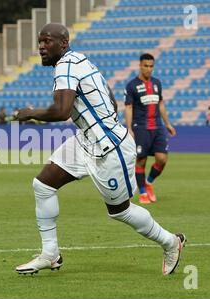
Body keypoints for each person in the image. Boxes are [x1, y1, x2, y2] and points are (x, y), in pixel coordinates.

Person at [14, 23, 186, 276]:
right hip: (86, 140)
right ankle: (50, 254)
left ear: (63, 43)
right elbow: (110, 97)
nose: (41, 46)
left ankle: (171, 242)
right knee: (43, 185)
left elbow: (62, 111)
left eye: (47, 41)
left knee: (120, 211)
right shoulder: (81, 60)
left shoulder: (66, 66)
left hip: (108, 148)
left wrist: (30, 114)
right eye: (39, 41)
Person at [124, 53, 176, 204]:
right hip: (141, 127)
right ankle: (143, 193)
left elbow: (160, 104)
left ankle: (149, 182)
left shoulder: (157, 83)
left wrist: (168, 124)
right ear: (140, 66)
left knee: (162, 158)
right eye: (146, 66)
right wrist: (129, 128)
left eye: (151, 66)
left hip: (157, 127)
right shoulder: (132, 85)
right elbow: (128, 107)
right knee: (141, 161)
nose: (148, 69)